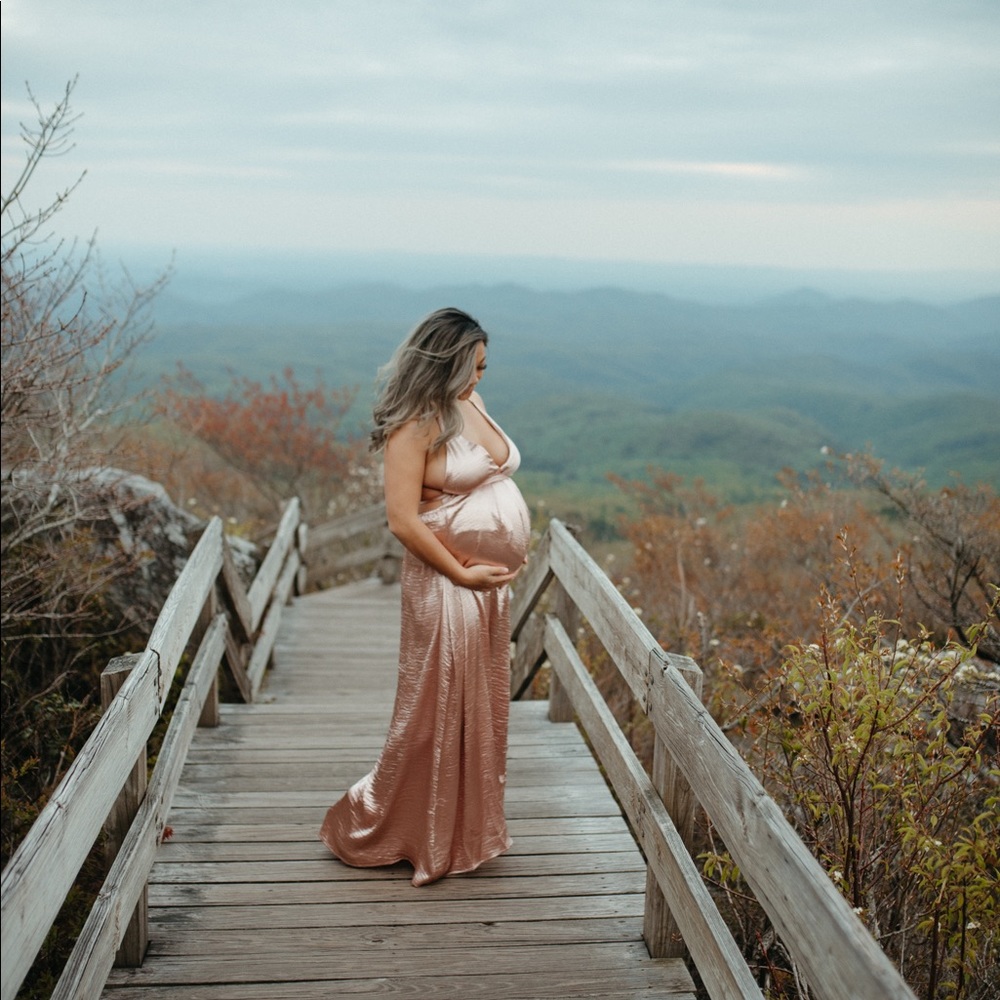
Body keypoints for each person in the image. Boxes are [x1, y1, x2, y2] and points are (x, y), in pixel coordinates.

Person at [319, 307, 532, 886]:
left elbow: (487, 477)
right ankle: (401, 828)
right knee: (434, 708)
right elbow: (402, 521)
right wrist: (463, 574)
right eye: (475, 365)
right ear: (447, 361)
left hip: (484, 589)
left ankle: (464, 827)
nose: (482, 377)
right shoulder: (412, 423)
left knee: (477, 708)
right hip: (446, 584)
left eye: (486, 366)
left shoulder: (471, 402)